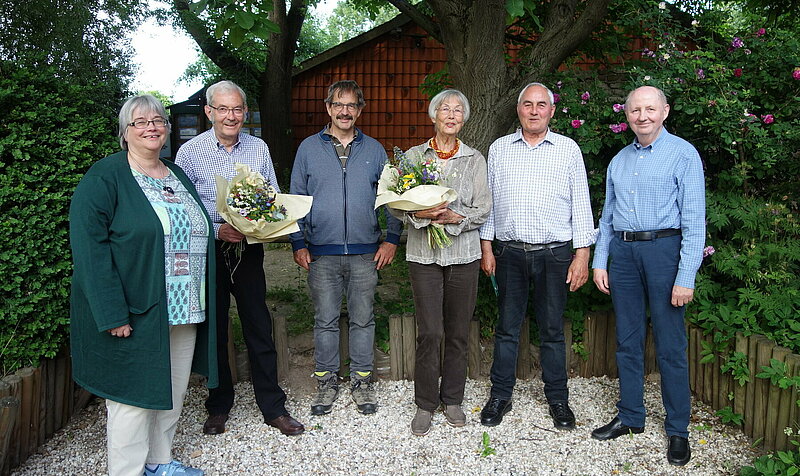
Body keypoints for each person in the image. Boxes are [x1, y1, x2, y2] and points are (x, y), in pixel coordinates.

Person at [70, 94, 217, 476]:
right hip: (137, 307)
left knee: (173, 388)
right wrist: (111, 312)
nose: (152, 127)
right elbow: (90, 250)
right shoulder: (105, 178)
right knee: (132, 397)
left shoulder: (176, 175)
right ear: (125, 132)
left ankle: (160, 461)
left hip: (184, 304)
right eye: (141, 122)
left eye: (158, 121)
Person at [175, 80, 304, 437]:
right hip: (211, 250)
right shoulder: (189, 152)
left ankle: (273, 407)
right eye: (223, 109)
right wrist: (218, 230)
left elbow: (272, 196)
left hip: (248, 249)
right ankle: (218, 406)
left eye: (237, 110)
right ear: (209, 112)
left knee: (258, 325)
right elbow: (184, 208)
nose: (230, 116)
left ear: (245, 113)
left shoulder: (258, 148)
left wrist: (259, 222)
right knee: (215, 328)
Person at [591, 85, 705, 466]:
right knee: (627, 339)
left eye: (650, 109)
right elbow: (607, 217)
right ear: (627, 115)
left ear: (665, 111)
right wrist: (599, 260)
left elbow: (693, 221)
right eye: (636, 109)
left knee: (671, 346)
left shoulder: (683, 155)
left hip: (663, 253)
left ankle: (677, 430)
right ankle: (631, 416)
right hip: (623, 254)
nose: (643, 116)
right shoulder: (619, 161)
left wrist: (685, 275)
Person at [478, 82, 596, 430]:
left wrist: (582, 254)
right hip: (509, 253)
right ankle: (500, 395)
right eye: (527, 104)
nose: (533, 110)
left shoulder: (568, 149)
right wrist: (487, 248)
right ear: (519, 110)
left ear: (551, 111)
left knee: (552, 330)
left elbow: (581, 205)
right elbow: (490, 205)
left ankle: (558, 399)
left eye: (541, 105)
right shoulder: (499, 149)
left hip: (555, 255)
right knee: (507, 329)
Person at [290, 80, 402, 416]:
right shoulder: (308, 149)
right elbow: (295, 197)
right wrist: (297, 242)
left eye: (352, 105)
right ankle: (326, 383)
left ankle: (363, 382)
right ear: (328, 108)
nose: (345, 111)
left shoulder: (374, 149)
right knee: (324, 320)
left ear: (360, 109)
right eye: (339, 105)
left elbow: (392, 198)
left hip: (365, 251)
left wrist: (392, 238)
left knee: (363, 319)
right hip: (321, 251)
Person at [389, 89, 492, 435]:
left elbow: (483, 208)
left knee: (459, 331)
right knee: (430, 331)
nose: (451, 115)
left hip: (464, 255)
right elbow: (395, 205)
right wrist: (422, 215)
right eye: (445, 109)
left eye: (458, 110)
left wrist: (453, 218)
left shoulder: (474, 159)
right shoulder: (414, 158)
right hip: (424, 256)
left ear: (463, 119)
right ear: (433, 116)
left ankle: (453, 399)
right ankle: (425, 403)